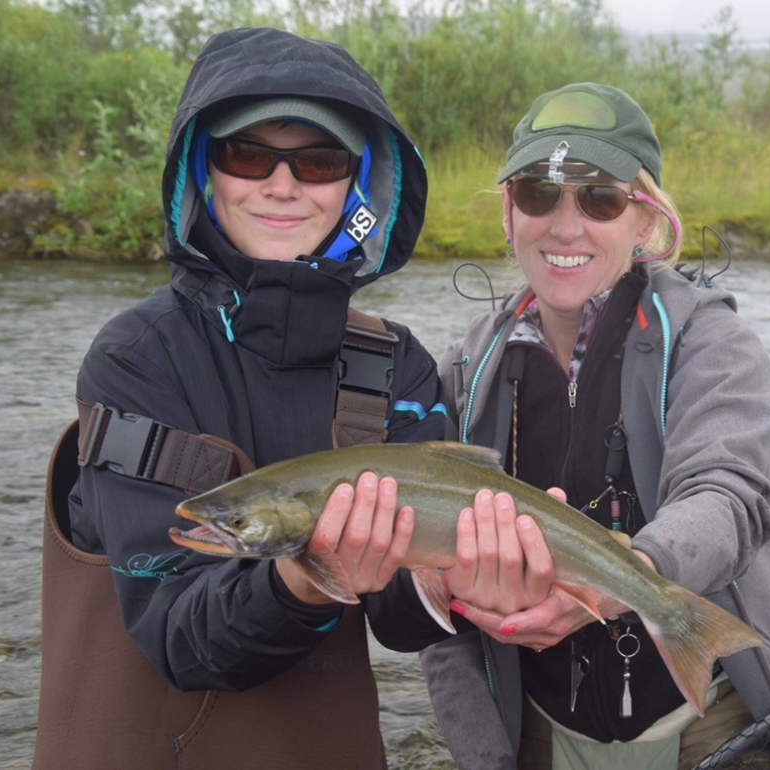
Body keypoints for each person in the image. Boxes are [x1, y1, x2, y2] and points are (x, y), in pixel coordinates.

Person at [33, 27, 452, 769]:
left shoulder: (397, 366)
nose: (282, 185)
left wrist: (477, 586)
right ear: (205, 172)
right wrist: (303, 576)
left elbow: (404, 624)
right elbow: (178, 637)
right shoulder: (136, 360)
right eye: (247, 154)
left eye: (319, 161)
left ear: (357, 185)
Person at [420, 82, 770, 770]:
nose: (564, 226)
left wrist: (624, 578)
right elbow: (435, 619)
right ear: (508, 212)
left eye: (599, 199)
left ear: (644, 221)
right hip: (537, 721)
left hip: (712, 717)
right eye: (537, 194)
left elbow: (730, 495)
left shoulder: (713, 342)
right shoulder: (464, 374)